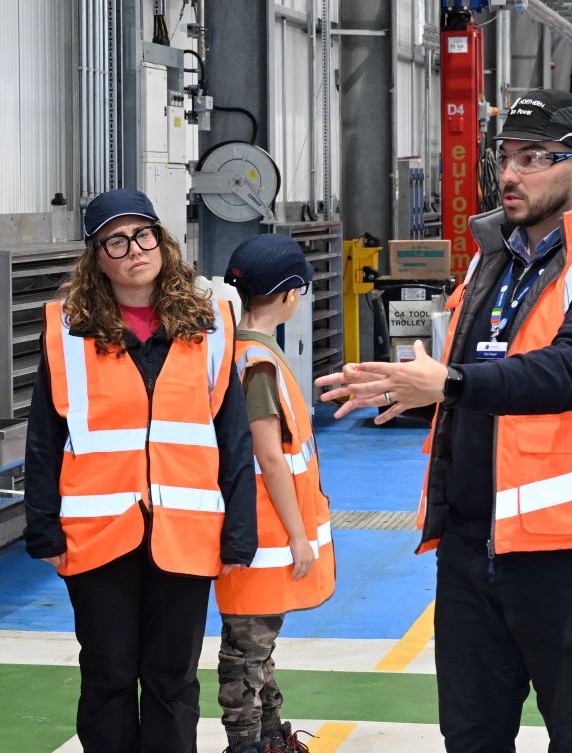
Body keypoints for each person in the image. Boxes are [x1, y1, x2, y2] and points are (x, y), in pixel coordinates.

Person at [317, 89, 572, 753]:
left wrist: (447, 382)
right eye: (505, 156)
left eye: (534, 157)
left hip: (569, 549)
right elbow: (479, 366)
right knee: (472, 734)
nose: (509, 173)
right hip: (471, 542)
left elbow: (570, 372)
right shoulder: (492, 257)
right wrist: (417, 389)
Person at [24, 188, 257, 753]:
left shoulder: (212, 323)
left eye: (144, 234)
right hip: (98, 536)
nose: (135, 250)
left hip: (185, 533)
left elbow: (232, 434)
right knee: (106, 677)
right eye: (117, 241)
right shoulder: (67, 329)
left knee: (173, 679)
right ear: (96, 256)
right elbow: (44, 437)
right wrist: (43, 527)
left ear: (163, 240)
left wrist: (239, 529)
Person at [214, 234, 337, 753]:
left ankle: (268, 736)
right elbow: (269, 455)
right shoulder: (257, 365)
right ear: (291, 295)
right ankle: (246, 744)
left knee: (256, 648)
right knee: (245, 652)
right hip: (264, 538)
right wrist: (297, 535)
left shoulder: (244, 352)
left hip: (259, 534)